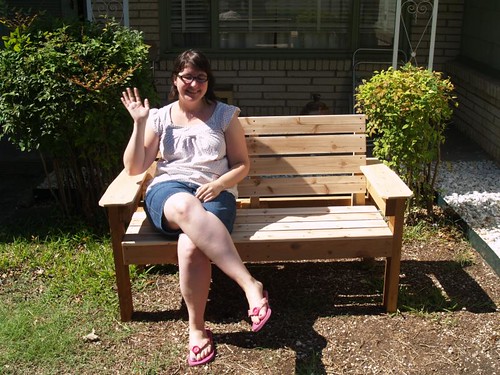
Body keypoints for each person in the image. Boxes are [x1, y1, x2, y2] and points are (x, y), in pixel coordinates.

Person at [120, 49, 271, 367]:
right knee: (186, 205)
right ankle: (249, 284)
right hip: (170, 193)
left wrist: (219, 184)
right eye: (187, 76)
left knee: (190, 248)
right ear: (175, 80)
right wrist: (139, 124)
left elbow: (242, 165)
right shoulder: (159, 117)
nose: (194, 83)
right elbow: (135, 167)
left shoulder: (225, 115)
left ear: (208, 81)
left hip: (216, 194)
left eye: (200, 77)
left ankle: (197, 330)